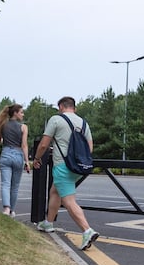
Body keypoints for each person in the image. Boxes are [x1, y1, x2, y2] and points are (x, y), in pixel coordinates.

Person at [31, 97, 99, 250]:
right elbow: (90, 147)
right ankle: (48, 223)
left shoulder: (56, 120)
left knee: (68, 201)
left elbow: (43, 144)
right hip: (78, 168)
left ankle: (87, 231)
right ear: (73, 107)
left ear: (61, 106)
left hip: (62, 166)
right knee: (55, 191)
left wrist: (36, 158)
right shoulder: (83, 123)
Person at [0, 103, 31, 216]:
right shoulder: (23, 127)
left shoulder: (3, 125)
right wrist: (27, 162)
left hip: (6, 154)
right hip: (18, 155)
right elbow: (24, 145)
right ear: (15, 113)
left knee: (5, 184)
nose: (23, 114)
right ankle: (12, 210)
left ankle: (6, 208)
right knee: (15, 186)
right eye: (21, 112)